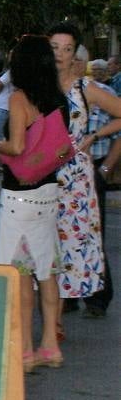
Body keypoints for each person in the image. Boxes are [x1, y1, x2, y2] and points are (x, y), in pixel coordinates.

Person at [0, 35, 70, 371]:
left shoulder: (19, 98)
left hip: (19, 193)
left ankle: (25, 351)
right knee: (46, 269)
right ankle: (51, 345)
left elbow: (18, 146)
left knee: (19, 273)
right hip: (48, 190)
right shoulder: (57, 98)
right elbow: (60, 146)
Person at [48, 23, 121, 314]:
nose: (60, 55)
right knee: (45, 242)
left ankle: (86, 301)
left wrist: (94, 136)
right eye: (55, 47)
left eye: (67, 49)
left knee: (78, 241)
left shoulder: (86, 88)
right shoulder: (36, 85)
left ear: (75, 54)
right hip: (42, 174)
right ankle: (56, 307)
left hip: (76, 177)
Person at [83, 59, 118, 318]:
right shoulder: (58, 90)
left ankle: (99, 296)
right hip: (65, 168)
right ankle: (68, 294)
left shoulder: (104, 93)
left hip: (93, 165)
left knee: (95, 233)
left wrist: (105, 168)